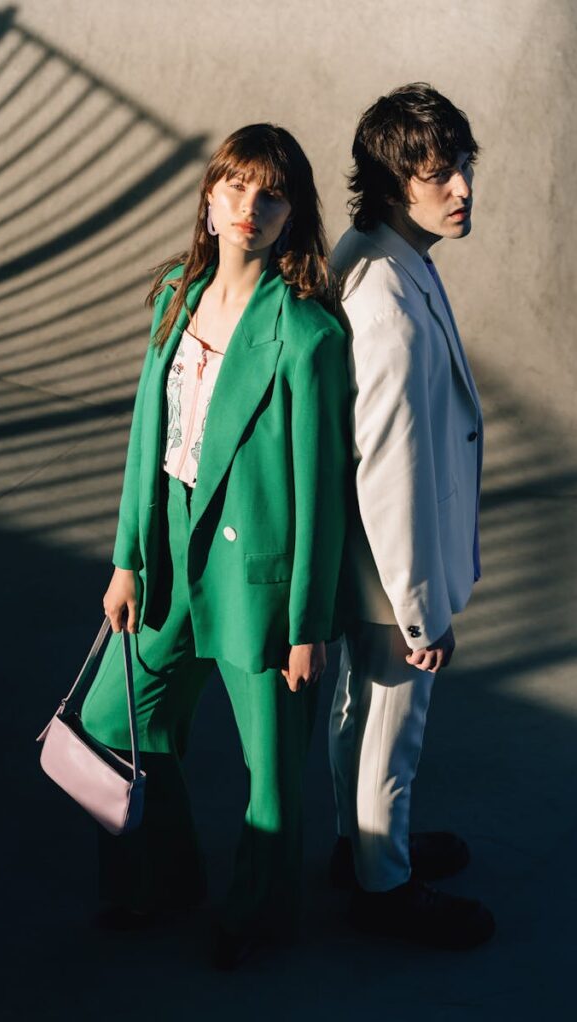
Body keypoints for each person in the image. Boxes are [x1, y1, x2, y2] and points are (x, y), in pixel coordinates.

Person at [79, 123, 350, 969]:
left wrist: (308, 623)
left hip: (258, 580)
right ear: (208, 195)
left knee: (271, 776)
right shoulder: (175, 297)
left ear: (291, 214)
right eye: (235, 186)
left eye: (270, 194)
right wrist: (126, 556)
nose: (249, 207)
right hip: (167, 553)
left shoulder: (308, 336)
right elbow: (143, 441)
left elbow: (322, 496)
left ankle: (256, 918)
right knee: (111, 722)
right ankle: (165, 880)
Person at [327, 84, 495, 949]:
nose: (463, 187)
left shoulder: (382, 252)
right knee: (393, 733)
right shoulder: (385, 305)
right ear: (396, 185)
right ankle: (384, 890)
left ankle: (359, 852)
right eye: (441, 175)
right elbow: (390, 469)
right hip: (394, 573)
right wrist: (421, 609)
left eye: (464, 164)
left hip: (374, 566)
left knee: (359, 716)